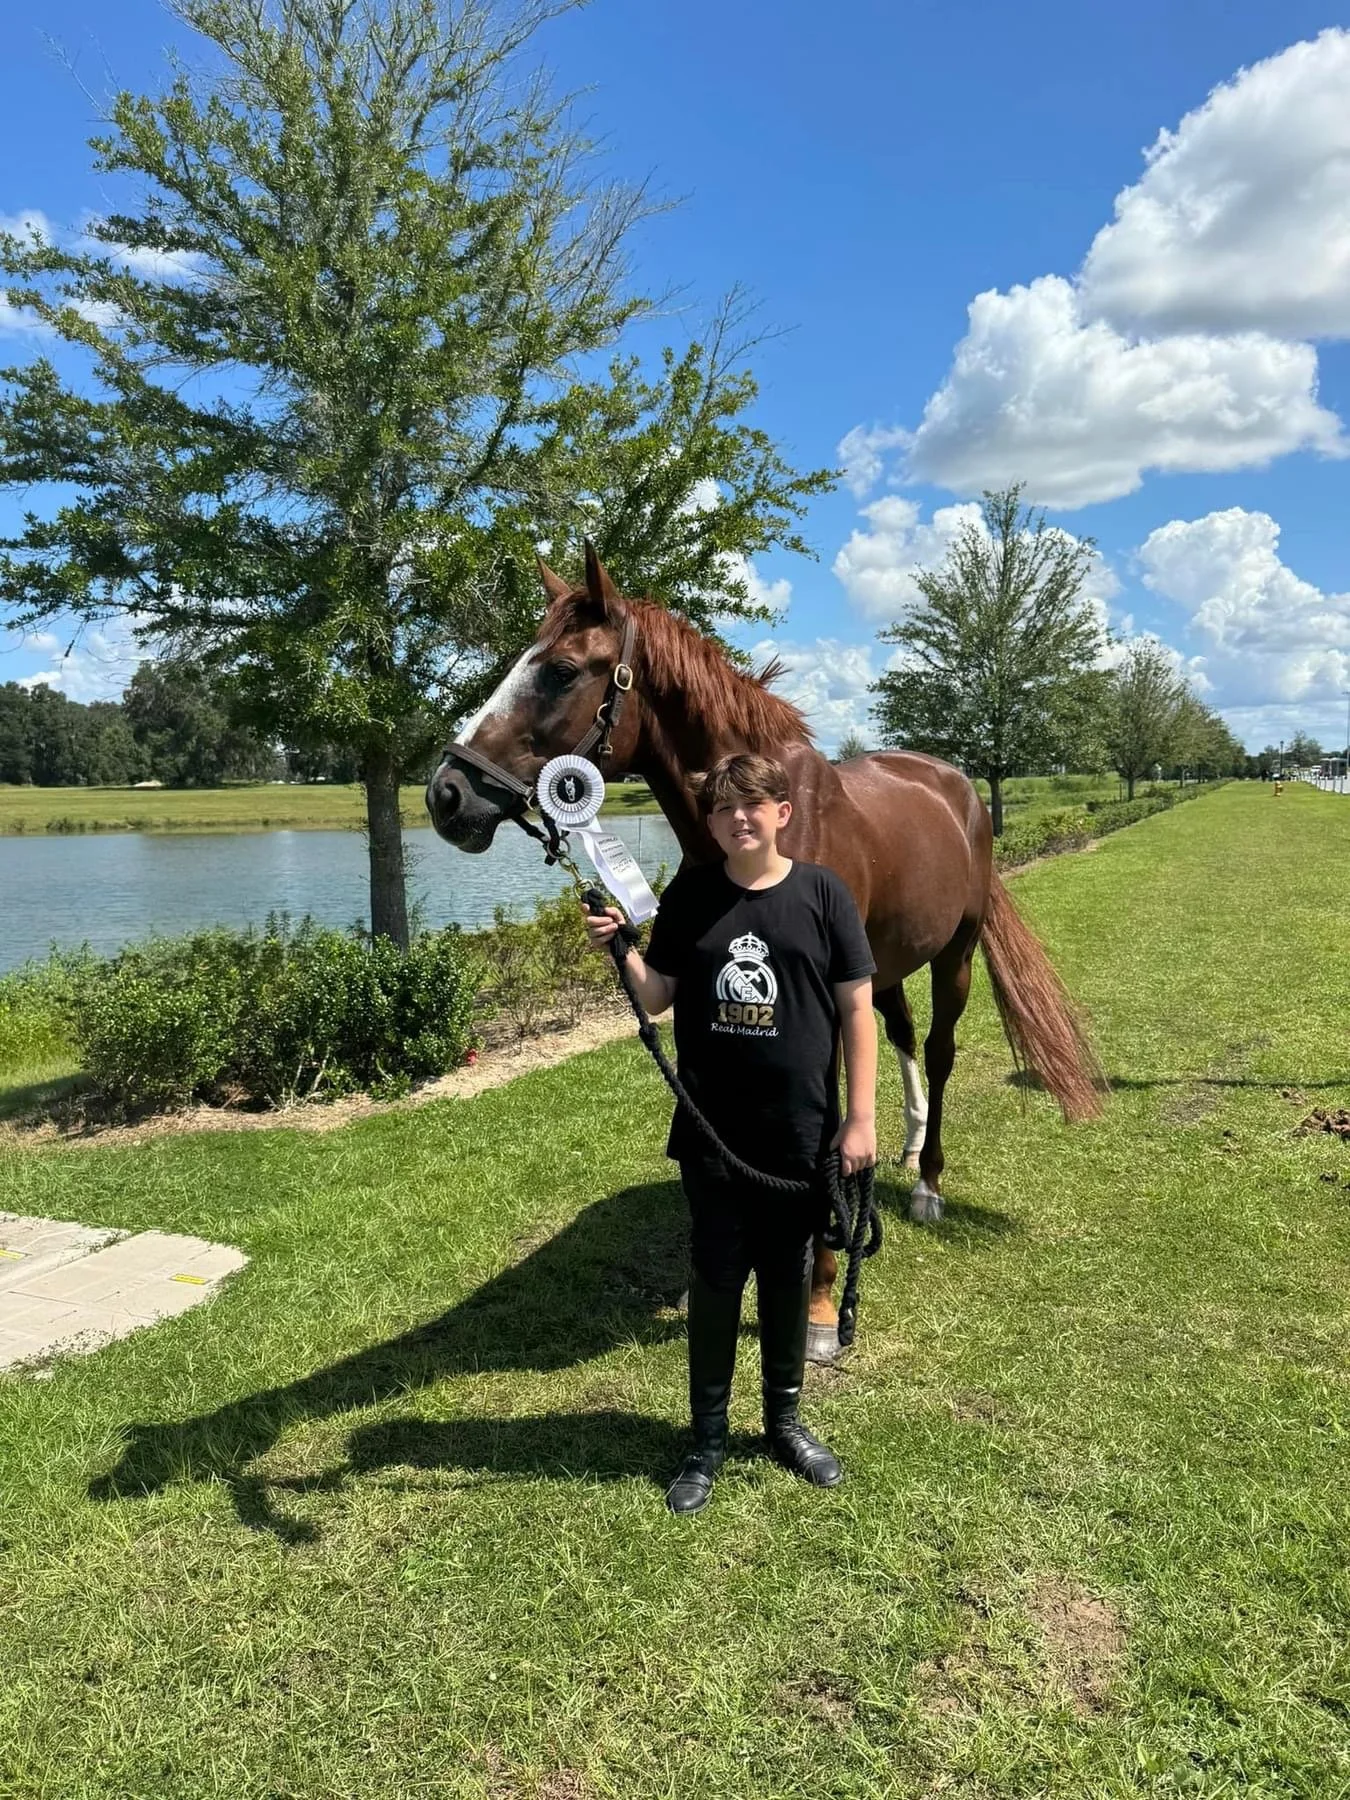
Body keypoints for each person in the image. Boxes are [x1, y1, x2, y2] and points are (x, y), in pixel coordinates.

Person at [584, 752, 877, 1515]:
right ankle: (706, 1438)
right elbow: (656, 998)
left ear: (783, 812)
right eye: (723, 809)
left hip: (801, 1136)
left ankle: (783, 1423)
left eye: (754, 805)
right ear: (711, 823)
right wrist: (622, 946)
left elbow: (855, 1010)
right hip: (713, 1133)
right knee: (715, 1284)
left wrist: (862, 1117)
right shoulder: (694, 894)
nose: (738, 818)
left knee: (786, 1279)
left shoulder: (823, 894)